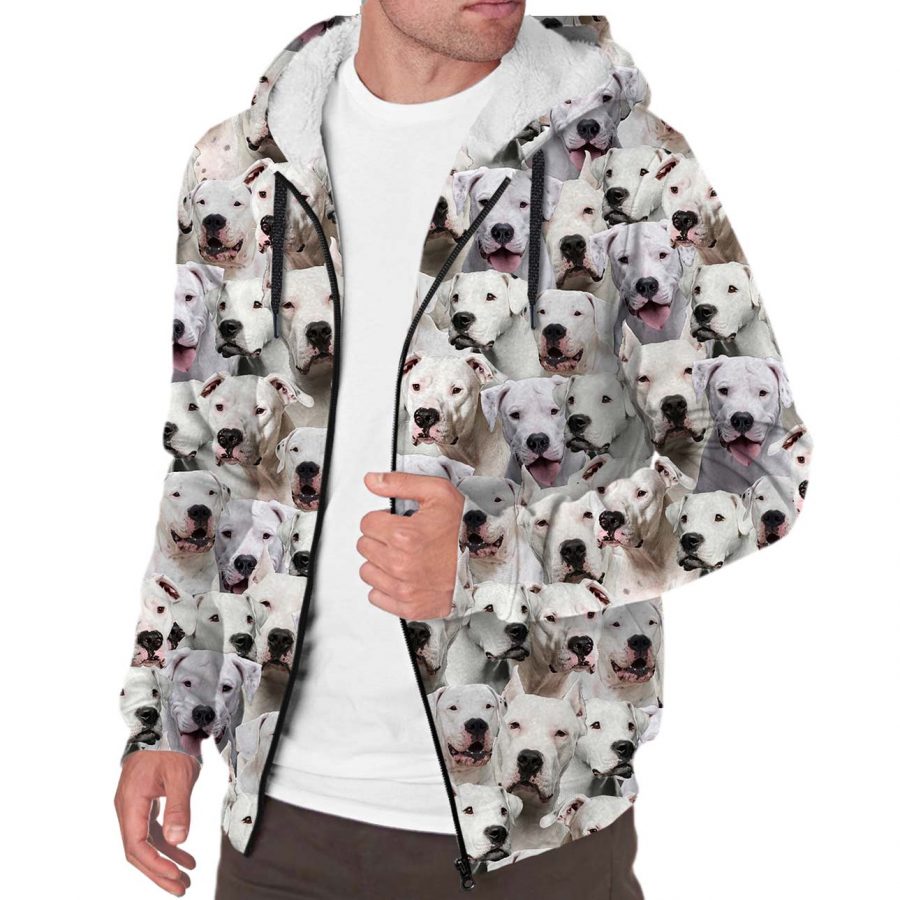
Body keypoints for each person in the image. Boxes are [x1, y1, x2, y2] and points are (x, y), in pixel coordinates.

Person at [114, 3, 812, 897]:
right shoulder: (238, 166)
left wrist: (496, 551)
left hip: (531, 837)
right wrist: (165, 719)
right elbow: (209, 467)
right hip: (278, 829)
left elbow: (762, 469)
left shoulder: (629, 163)